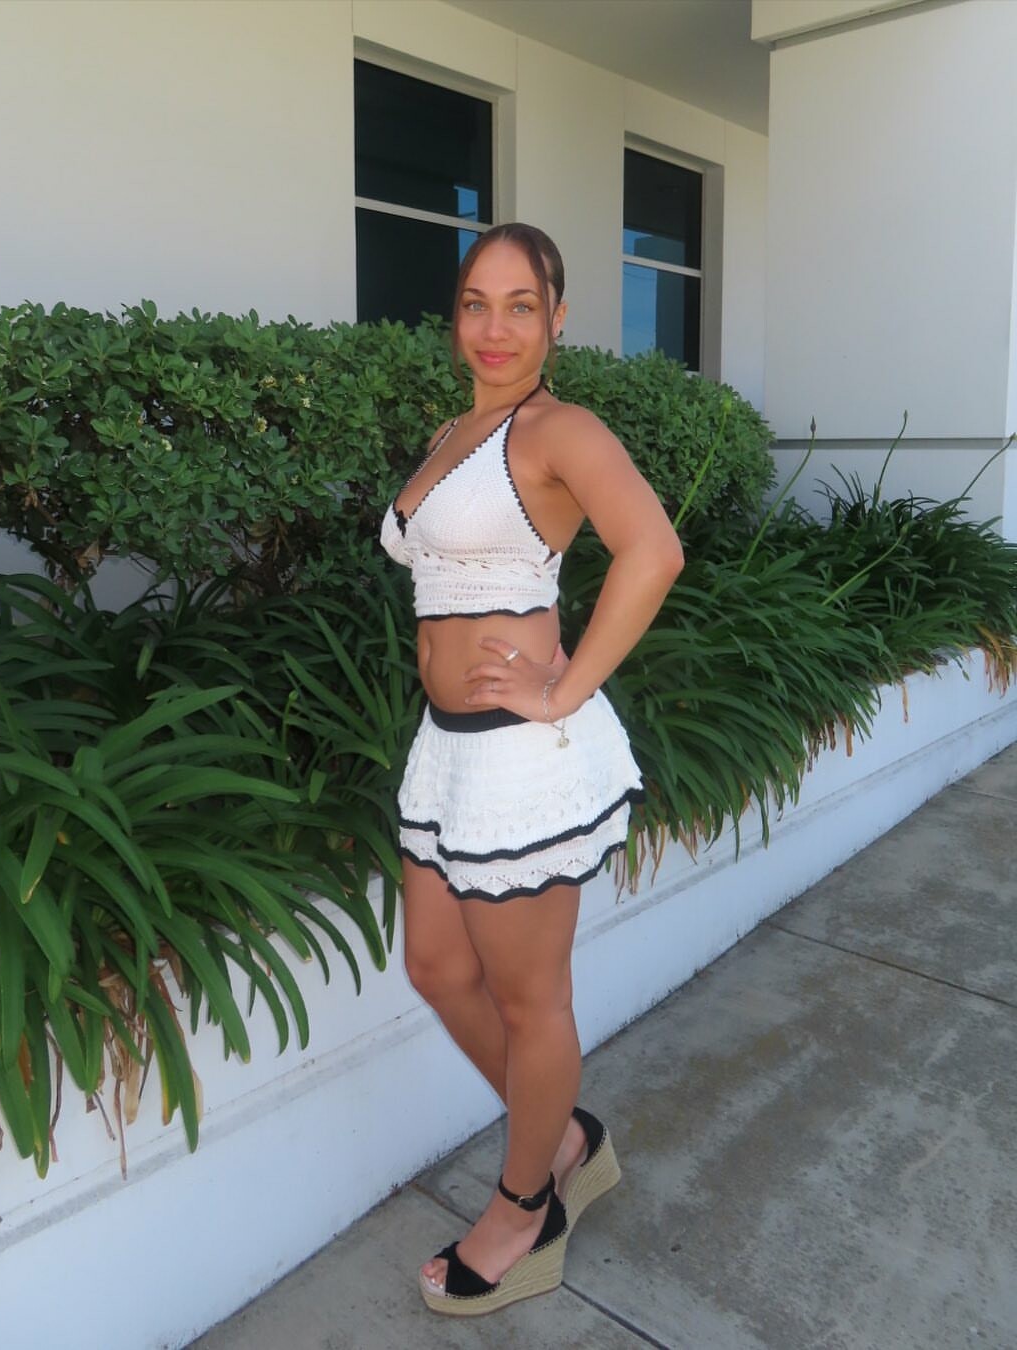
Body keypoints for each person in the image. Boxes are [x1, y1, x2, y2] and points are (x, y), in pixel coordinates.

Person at [379, 222, 684, 1316]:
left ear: (558, 319)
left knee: (529, 997)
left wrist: (564, 689)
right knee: (436, 968)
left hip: (518, 762)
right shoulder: (455, 430)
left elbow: (653, 550)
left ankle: (526, 1207)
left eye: (521, 305)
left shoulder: (560, 429)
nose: (495, 327)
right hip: (446, 754)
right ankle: (560, 1137)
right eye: (476, 302)